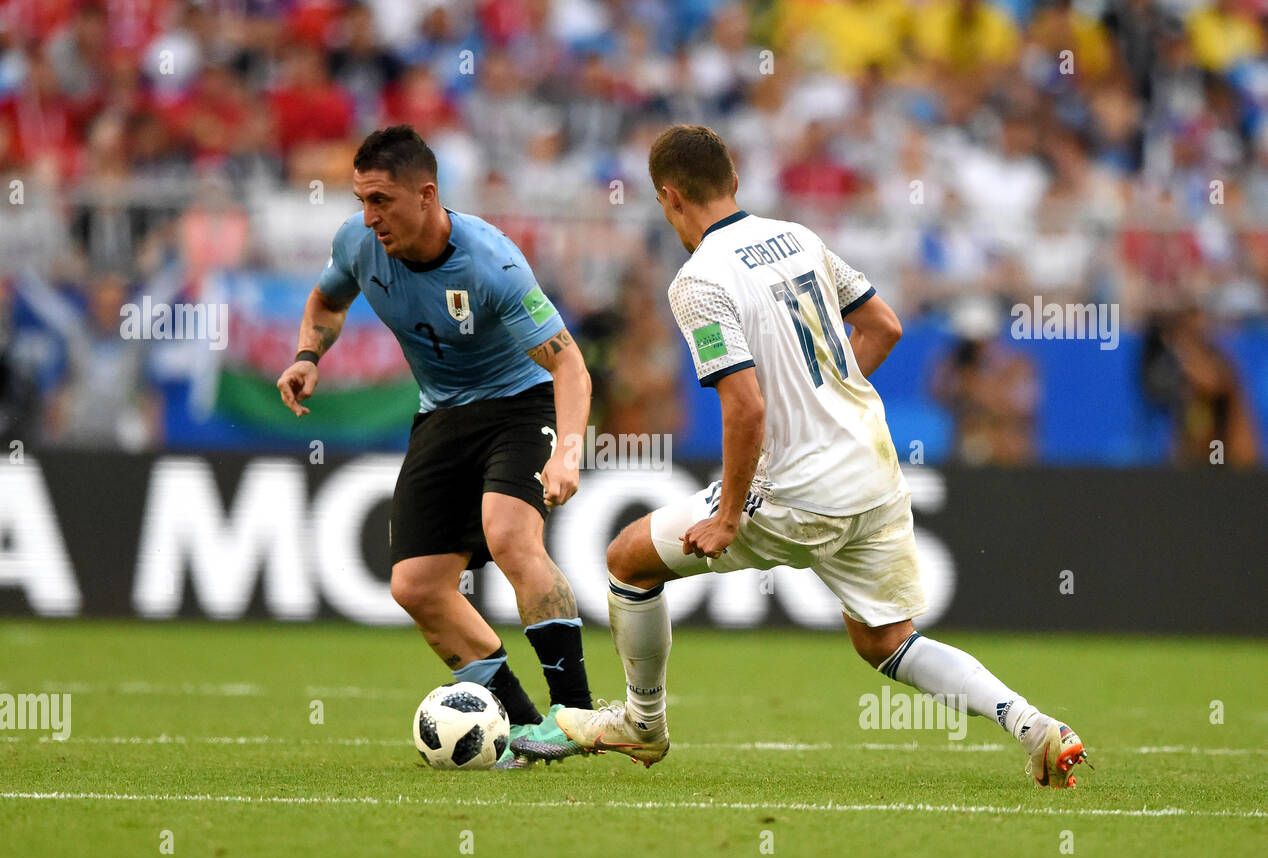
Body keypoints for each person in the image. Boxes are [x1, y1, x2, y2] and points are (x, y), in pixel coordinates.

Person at [523, 125, 1088, 788]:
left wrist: (730, 514)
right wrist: (830, 401)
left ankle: (643, 726)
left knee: (627, 560)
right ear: (733, 181)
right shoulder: (800, 238)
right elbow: (884, 326)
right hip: (873, 472)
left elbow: (747, 408)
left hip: (795, 493)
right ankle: (1037, 729)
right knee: (886, 641)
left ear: (669, 198)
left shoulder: (698, 280)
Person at [275, 125, 593, 768]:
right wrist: (309, 354)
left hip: (518, 403)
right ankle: (526, 732)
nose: (369, 217)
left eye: (382, 201)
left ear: (427, 194)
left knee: (508, 536)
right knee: (416, 587)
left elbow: (570, 367)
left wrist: (567, 451)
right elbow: (325, 299)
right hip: (442, 414)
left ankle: (575, 716)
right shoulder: (358, 244)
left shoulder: (491, 262)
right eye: (361, 199)